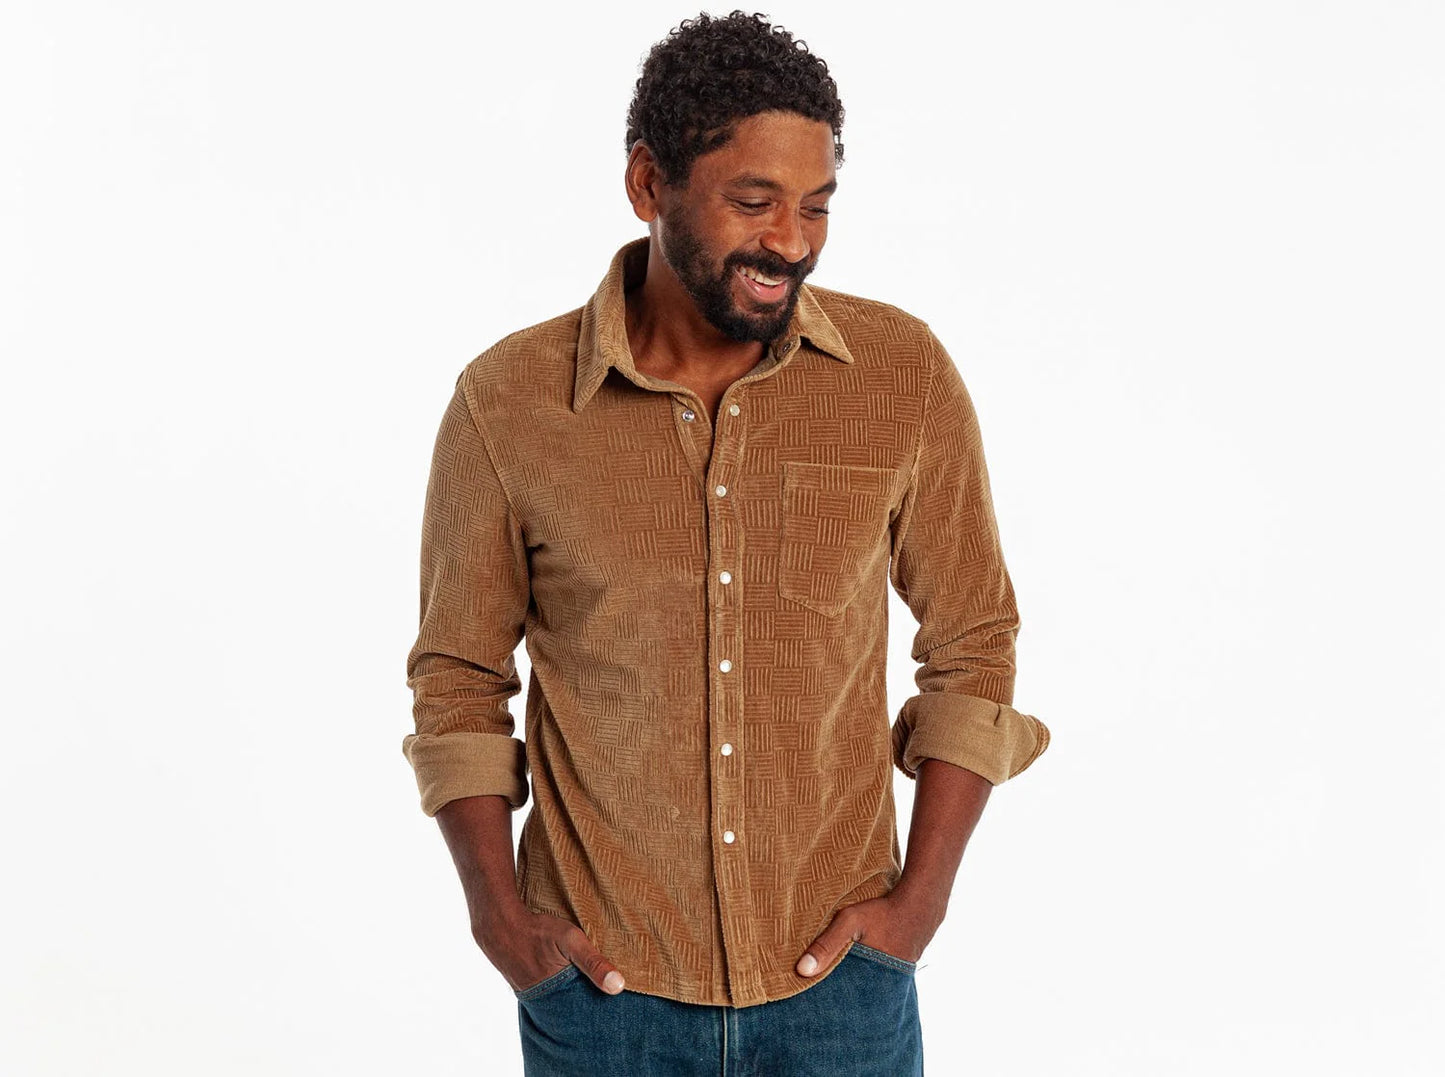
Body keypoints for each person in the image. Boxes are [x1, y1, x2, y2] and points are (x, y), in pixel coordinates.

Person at [402, 11, 1049, 1075]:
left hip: (841, 989)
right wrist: (500, 922)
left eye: (816, 205)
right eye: (752, 202)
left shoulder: (901, 377)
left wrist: (918, 907)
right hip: (604, 998)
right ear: (647, 183)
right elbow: (459, 678)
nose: (790, 240)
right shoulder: (506, 404)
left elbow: (974, 641)